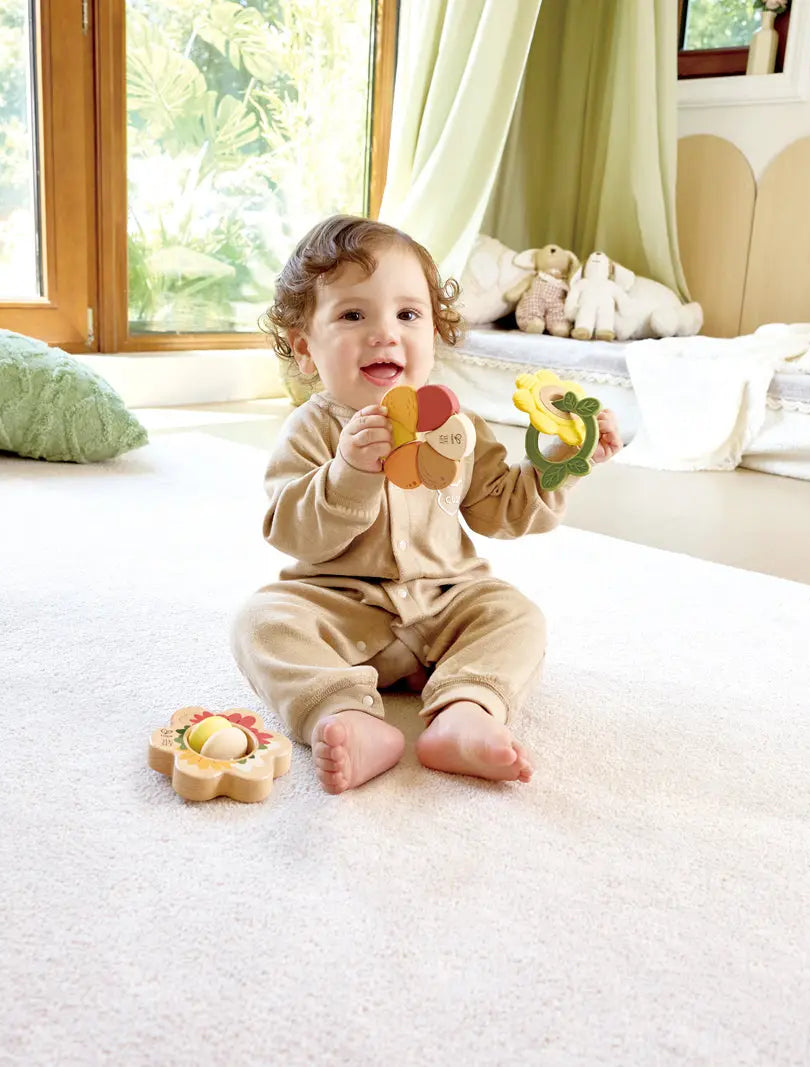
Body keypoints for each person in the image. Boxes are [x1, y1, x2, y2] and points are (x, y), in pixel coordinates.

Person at [231, 215, 622, 793]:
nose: (385, 334)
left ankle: (467, 709)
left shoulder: (457, 425)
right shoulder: (309, 429)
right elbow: (291, 532)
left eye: (408, 315)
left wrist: (558, 463)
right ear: (306, 349)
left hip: (445, 602)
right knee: (261, 623)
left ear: (433, 336)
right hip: (340, 605)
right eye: (353, 315)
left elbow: (501, 509)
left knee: (516, 615)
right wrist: (348, 473)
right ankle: (344, 715)